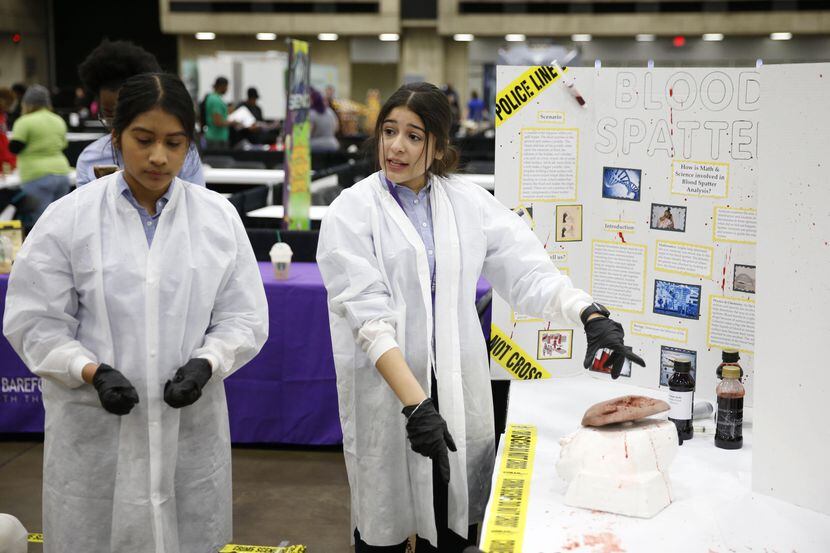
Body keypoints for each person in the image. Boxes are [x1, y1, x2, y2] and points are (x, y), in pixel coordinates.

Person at [317, 82, 644, 552]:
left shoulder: (466, 203)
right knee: (382, 525)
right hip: (391, 392)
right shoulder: (353, 210)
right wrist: (414, 403)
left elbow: (527, 270)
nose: (397, 146)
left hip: (454, 389)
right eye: (389, 131)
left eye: (414, 135)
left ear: (438, 146)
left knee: (452, 526)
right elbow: (368, 318)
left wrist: (588, 314)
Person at [3, 73, 269, 553]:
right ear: (116, 136)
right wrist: (89, 371)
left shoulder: (216, 219)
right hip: (93, 433)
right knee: (94, 534)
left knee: (186, 532)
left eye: (175, 143)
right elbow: (34, 322)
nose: (159, 157)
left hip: (188, 430)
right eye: (143, 140)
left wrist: (208, 362)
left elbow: (243, 317)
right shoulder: (69, 219)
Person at [76, 39, 205, 187]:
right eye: (108, 116)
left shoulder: (185, 155)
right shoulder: (90, 159)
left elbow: (197, 202)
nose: (116, 127)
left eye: (173, 143)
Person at [8, 85, 71, 230]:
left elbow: (15, 147)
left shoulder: (24, 121)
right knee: (59, 221)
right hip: (62, 174)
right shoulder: (58, 120)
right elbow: (63, 144)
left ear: (27, 103)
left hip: (36, 176)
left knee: (39, 225)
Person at [203, 76, 233, 150]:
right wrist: (233, 122)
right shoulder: (215, 100)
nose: (227, 89)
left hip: (216, 137)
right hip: (216, 139)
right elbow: (218, 122)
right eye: (226, 86)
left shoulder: (213, 98)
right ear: (221, 86)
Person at [309, 87, 340, 153]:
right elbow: (336, 128)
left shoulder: (311, 114)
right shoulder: (330, 111)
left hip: (315, 146)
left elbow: (308, 133)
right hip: (333, 144)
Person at [0, 88, 17, 171]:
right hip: (4, 160)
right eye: (9, 104)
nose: (10, 107)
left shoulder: (3, 116)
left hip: (5, 160)